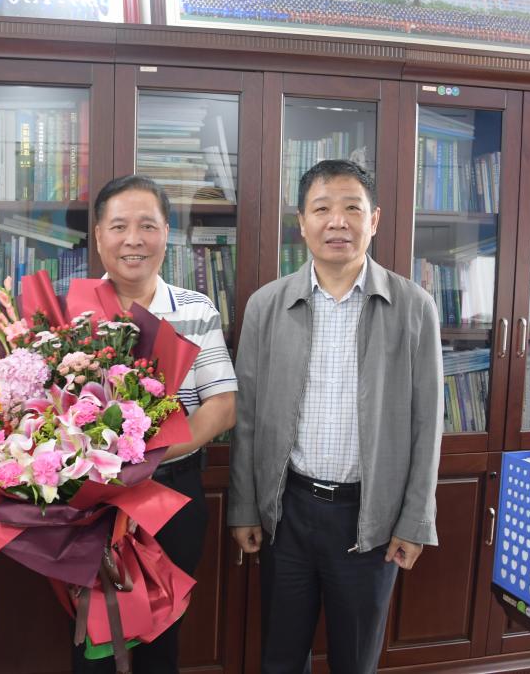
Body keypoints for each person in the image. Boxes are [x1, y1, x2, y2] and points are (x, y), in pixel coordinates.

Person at [229, 159, 443, 674]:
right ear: (301, 223)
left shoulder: (413, 307)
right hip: (287, 513)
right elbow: (246, 417)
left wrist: (415, 521)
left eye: (353, 208)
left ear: (374, 220)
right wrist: (244, 508)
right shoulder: (266, 306)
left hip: (370, 520)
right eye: (322, 209)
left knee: (356, 661)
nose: (337, 222)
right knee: (281, 658)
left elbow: (427, 424)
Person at [73, 175, 238, 673]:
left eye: (147, 225)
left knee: (161, 638)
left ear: (167, 233)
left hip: (172, 495)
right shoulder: (70, 311)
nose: (133, 239)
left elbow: (222, 405)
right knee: (94, 640)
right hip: (86, 502)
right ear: (98, 235)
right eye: (119, 226)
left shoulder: (195, 309)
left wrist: (144, 458)